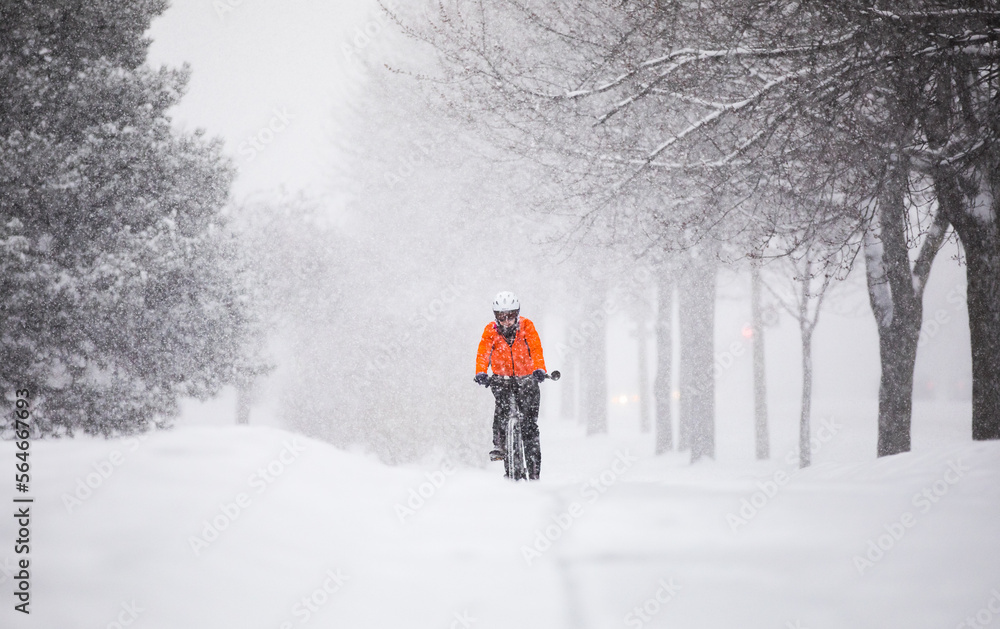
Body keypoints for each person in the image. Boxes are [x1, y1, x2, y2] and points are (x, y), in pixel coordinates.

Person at [474, 291, 548, 480]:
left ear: (517, 314)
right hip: (502, 380)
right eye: (502, 316)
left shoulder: (527, 326)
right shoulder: (490, 331)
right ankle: (499, 445)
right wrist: (481, 372)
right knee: (502, 410)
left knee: (530, 427)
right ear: (496, 316)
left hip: (526, 380)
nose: (507, 320)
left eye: (511, 316)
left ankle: (533, 473)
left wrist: (539, 369)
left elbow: (536, 349)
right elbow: (483, 352)